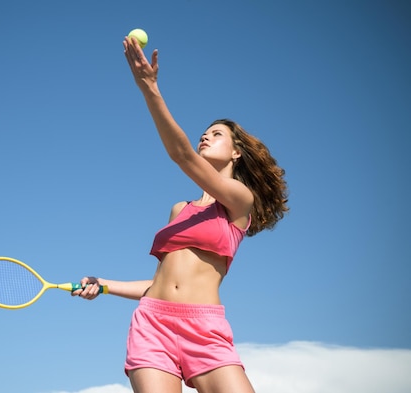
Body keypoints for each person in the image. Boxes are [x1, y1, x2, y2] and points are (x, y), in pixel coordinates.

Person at [71, 36, 289, 393]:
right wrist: (105, 285)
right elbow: (160, 285)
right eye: (203, 133)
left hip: (204, 330)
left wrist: (149, 88)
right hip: (153, 323)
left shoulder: (239, 201)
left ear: (236, 154)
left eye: (215, 134)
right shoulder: (180, 210)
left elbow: (182, 156)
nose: (205, 137)